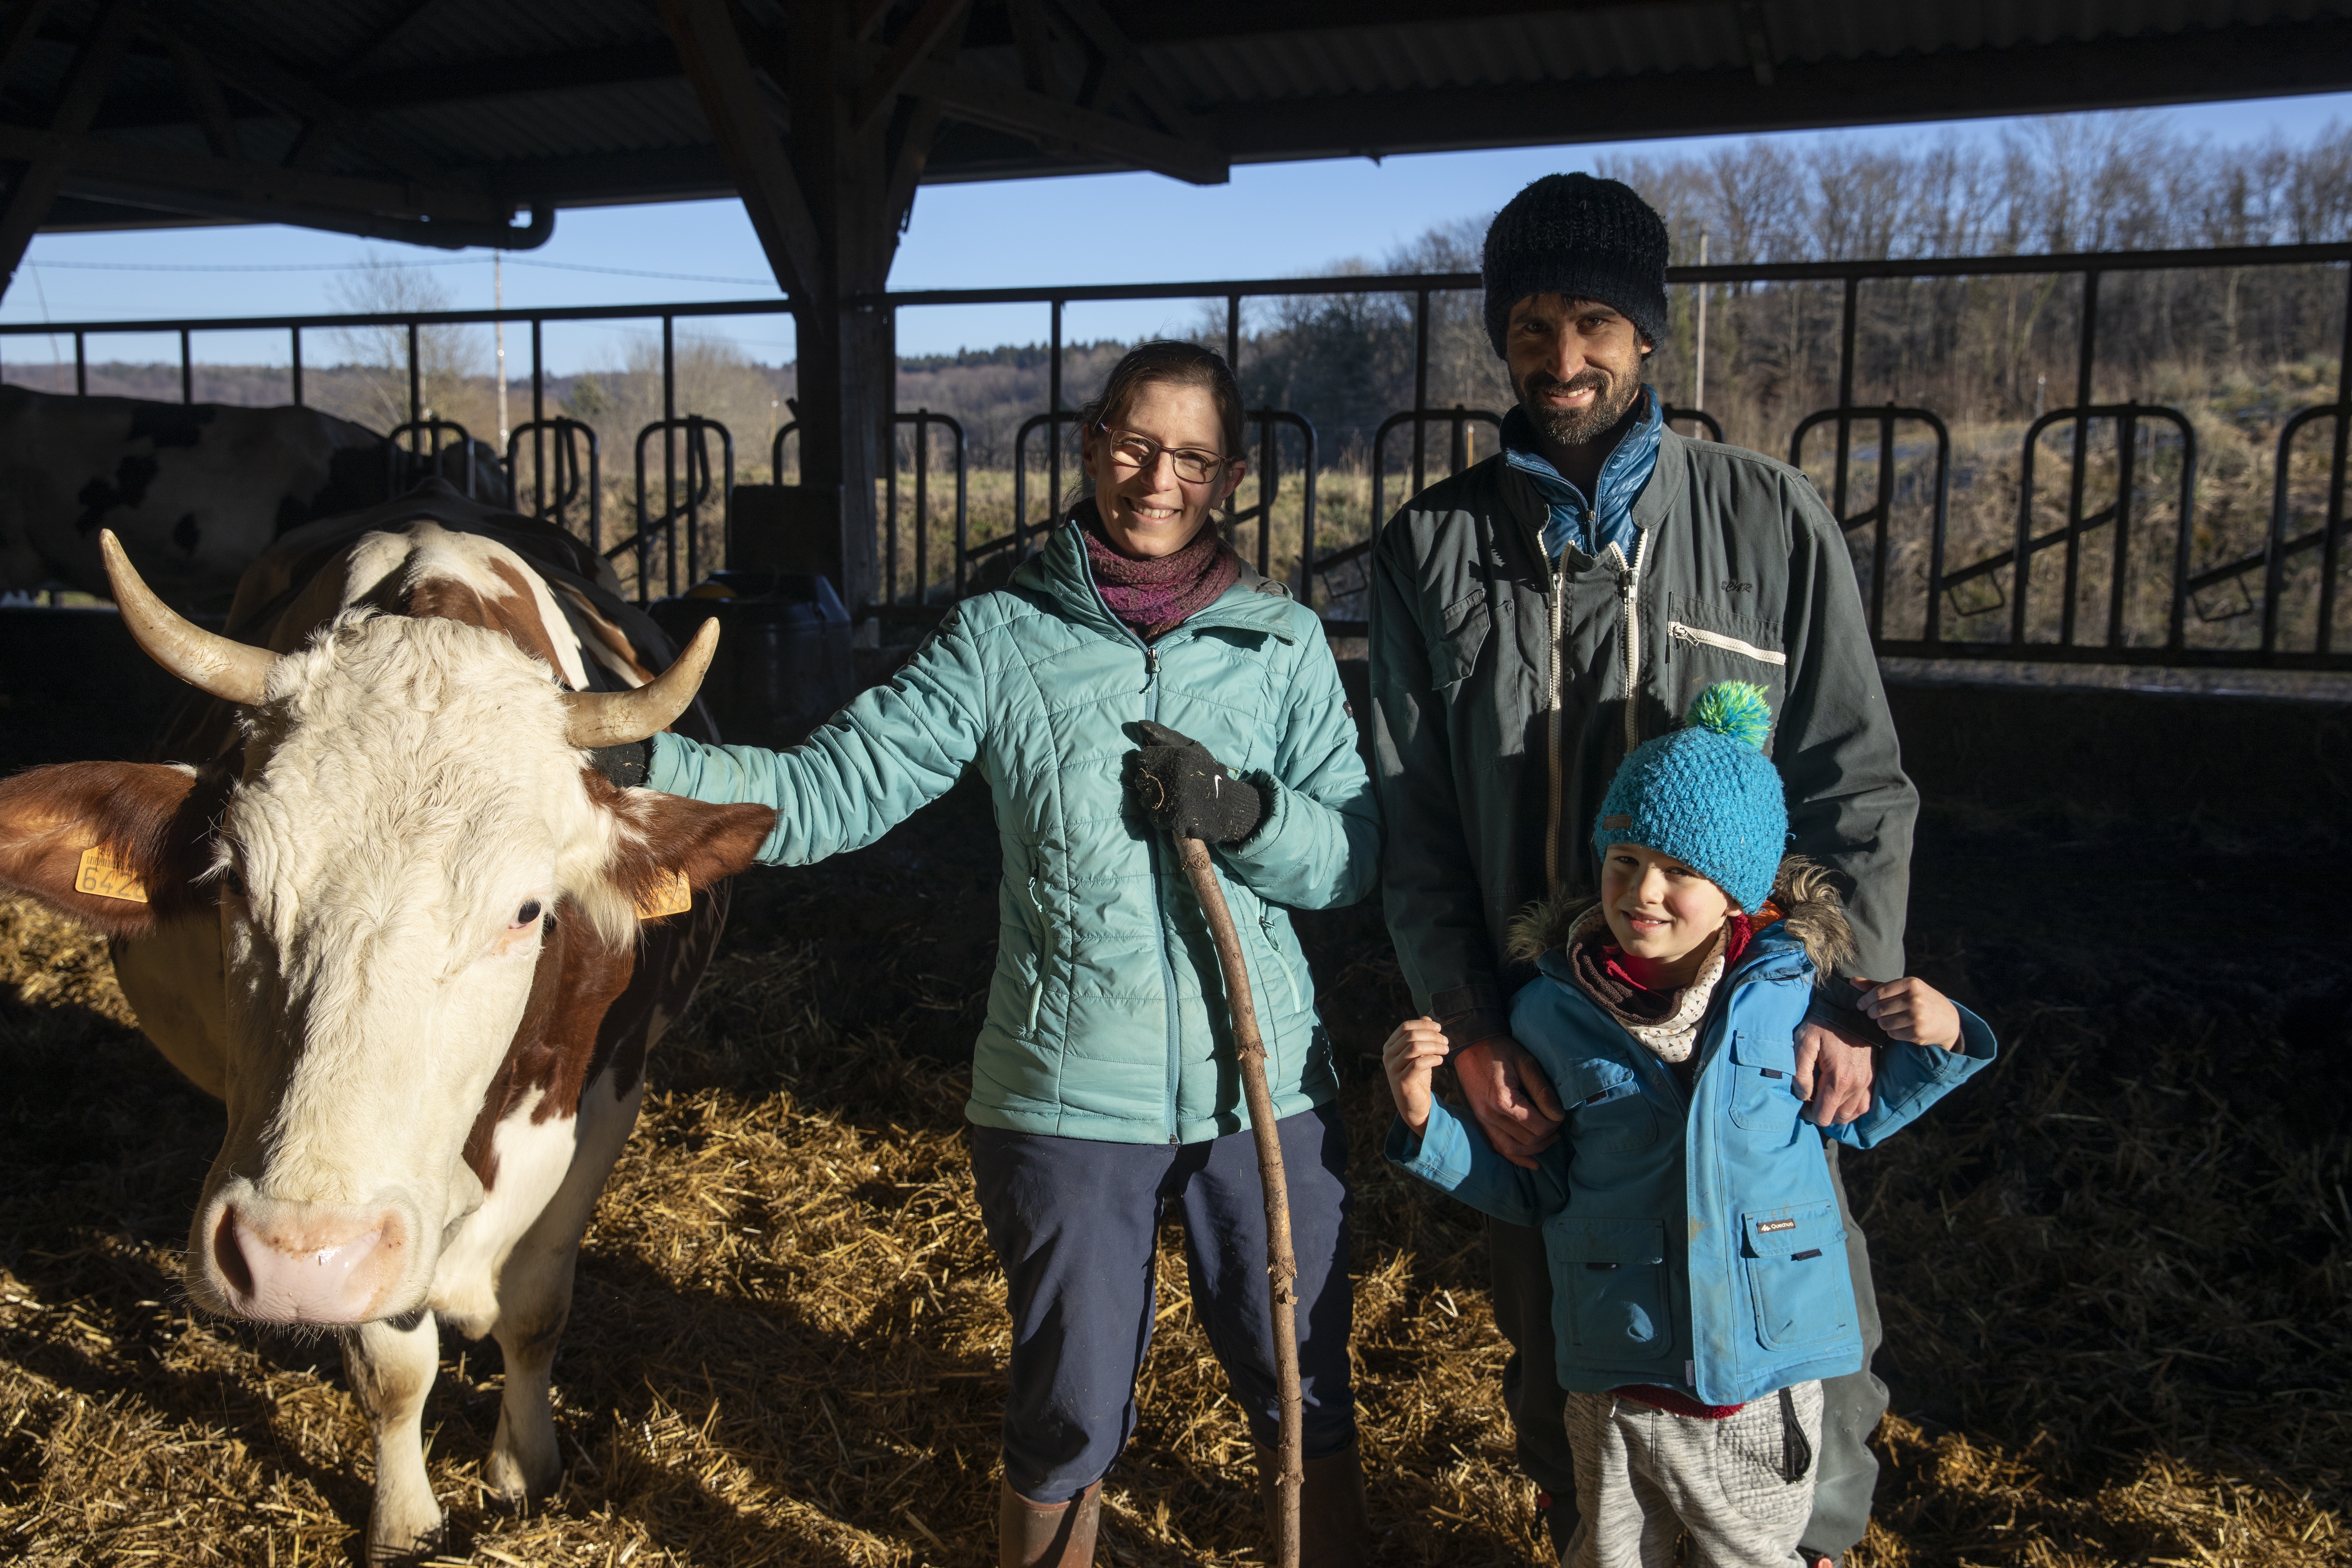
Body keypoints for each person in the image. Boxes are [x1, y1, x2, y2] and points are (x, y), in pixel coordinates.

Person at [631, 341, 1378, 1567]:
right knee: (1071, 1406)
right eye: (1136, 444)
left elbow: (1353, 859)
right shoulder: (998, 636)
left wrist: (1246, 814)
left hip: (1266, 1090)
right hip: (1067, 1090)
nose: (1158, 478)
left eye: (1192, 456)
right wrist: (653, 769)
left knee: (1300, 1374)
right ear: (1092, 444)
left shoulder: (1284, 644)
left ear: (1232, 476)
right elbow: (832, 789)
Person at [1368, 171, 1919, 1565]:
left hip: (1748, 1035)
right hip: (1555, 1054)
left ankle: (1807, 1543)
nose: (1565, 360)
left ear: (1651, 333)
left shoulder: (1769, 519)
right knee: (1565, 1345)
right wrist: (1479, 1027)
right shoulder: (1434, 548)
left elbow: (1857, 782)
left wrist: (1846, 996)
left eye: (1597, 320)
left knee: (1813, 1353)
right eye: (1536, 325)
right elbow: (1413, 820)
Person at [1380, 684, 1996, 1568]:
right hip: (1619, 1377)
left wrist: (1943, 1037)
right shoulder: (1552, 1012)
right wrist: (1423, 1122)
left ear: (1738, 889)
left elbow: (1862, 1116)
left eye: (1680, 871)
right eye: (1623, 858)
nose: (1643, 892)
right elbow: (1536, 1183)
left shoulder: (1796, 1002)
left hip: (1761, 1380)